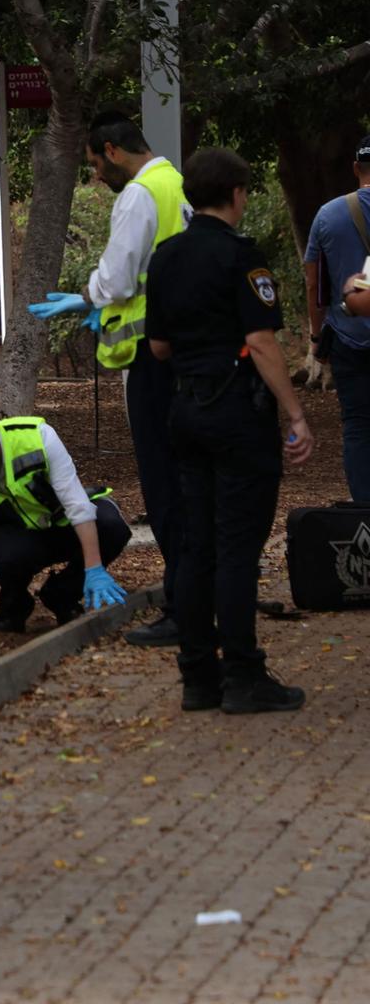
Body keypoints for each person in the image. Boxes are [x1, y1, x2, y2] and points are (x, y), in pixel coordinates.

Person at [146, 147, 314, 714]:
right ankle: (243, 674)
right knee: (238, 547)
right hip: (237, 414)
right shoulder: (243, 256)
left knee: (196, 546)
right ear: (237, 194)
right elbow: (263, 340)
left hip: (186, 410)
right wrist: (294, 413)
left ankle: (198, 675)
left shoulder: (166, 257)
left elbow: (159, 346)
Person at [29, 111, 188, 647]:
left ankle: (183, 607)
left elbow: (120, 277)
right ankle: (197, 594)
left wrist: (90, 294)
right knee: (190, 480)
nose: (96, 175)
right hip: (186, 355)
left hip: (152, 358)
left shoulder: (140, 194)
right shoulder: (175, 184)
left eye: (95, 163)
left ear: (112, 150)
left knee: (165, 485)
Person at [0, 403, 131, 638]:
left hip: (61, 525)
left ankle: (62, 594)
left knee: (111, 527)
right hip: (18, 541)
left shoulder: (38, 437)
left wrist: (94, 568)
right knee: (10, 556)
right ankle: (14, 608)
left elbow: (77, 505)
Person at [303, 138, 370, 501]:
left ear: (355, 167)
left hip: (348, 338)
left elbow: (314, 281)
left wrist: (317, 338)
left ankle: (365, 511)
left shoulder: (328, 215)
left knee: (358, 426)